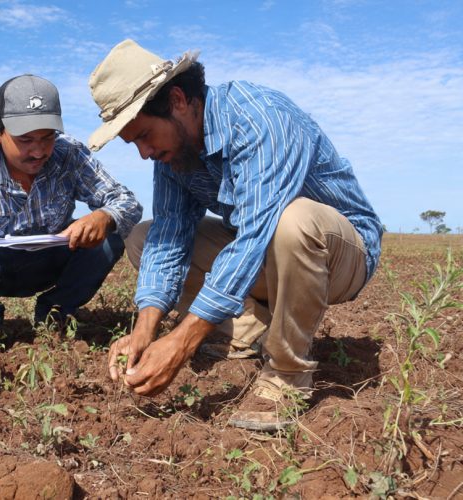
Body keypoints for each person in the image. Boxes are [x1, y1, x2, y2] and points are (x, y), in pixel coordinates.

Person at [87, 40, 383, 431]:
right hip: (267, 253)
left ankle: (287, 375)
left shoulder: (260, 120)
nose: (144, 153)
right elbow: (172, 236)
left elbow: (255, 235)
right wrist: (146, 327)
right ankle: (247, 332)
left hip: (337, 254)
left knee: (292, 221)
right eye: (134, 143)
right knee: (146, 237)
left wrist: (182, 341)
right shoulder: (174, 151)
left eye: (144, 135)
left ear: (177, 100)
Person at [0, 74, 142, 355]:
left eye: (48, 138)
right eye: (25, 140)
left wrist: (105, 216)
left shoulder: (68, 154)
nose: (38, 151)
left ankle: (54, 316)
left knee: (112, 234)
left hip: (51, 259)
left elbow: (126, 201)